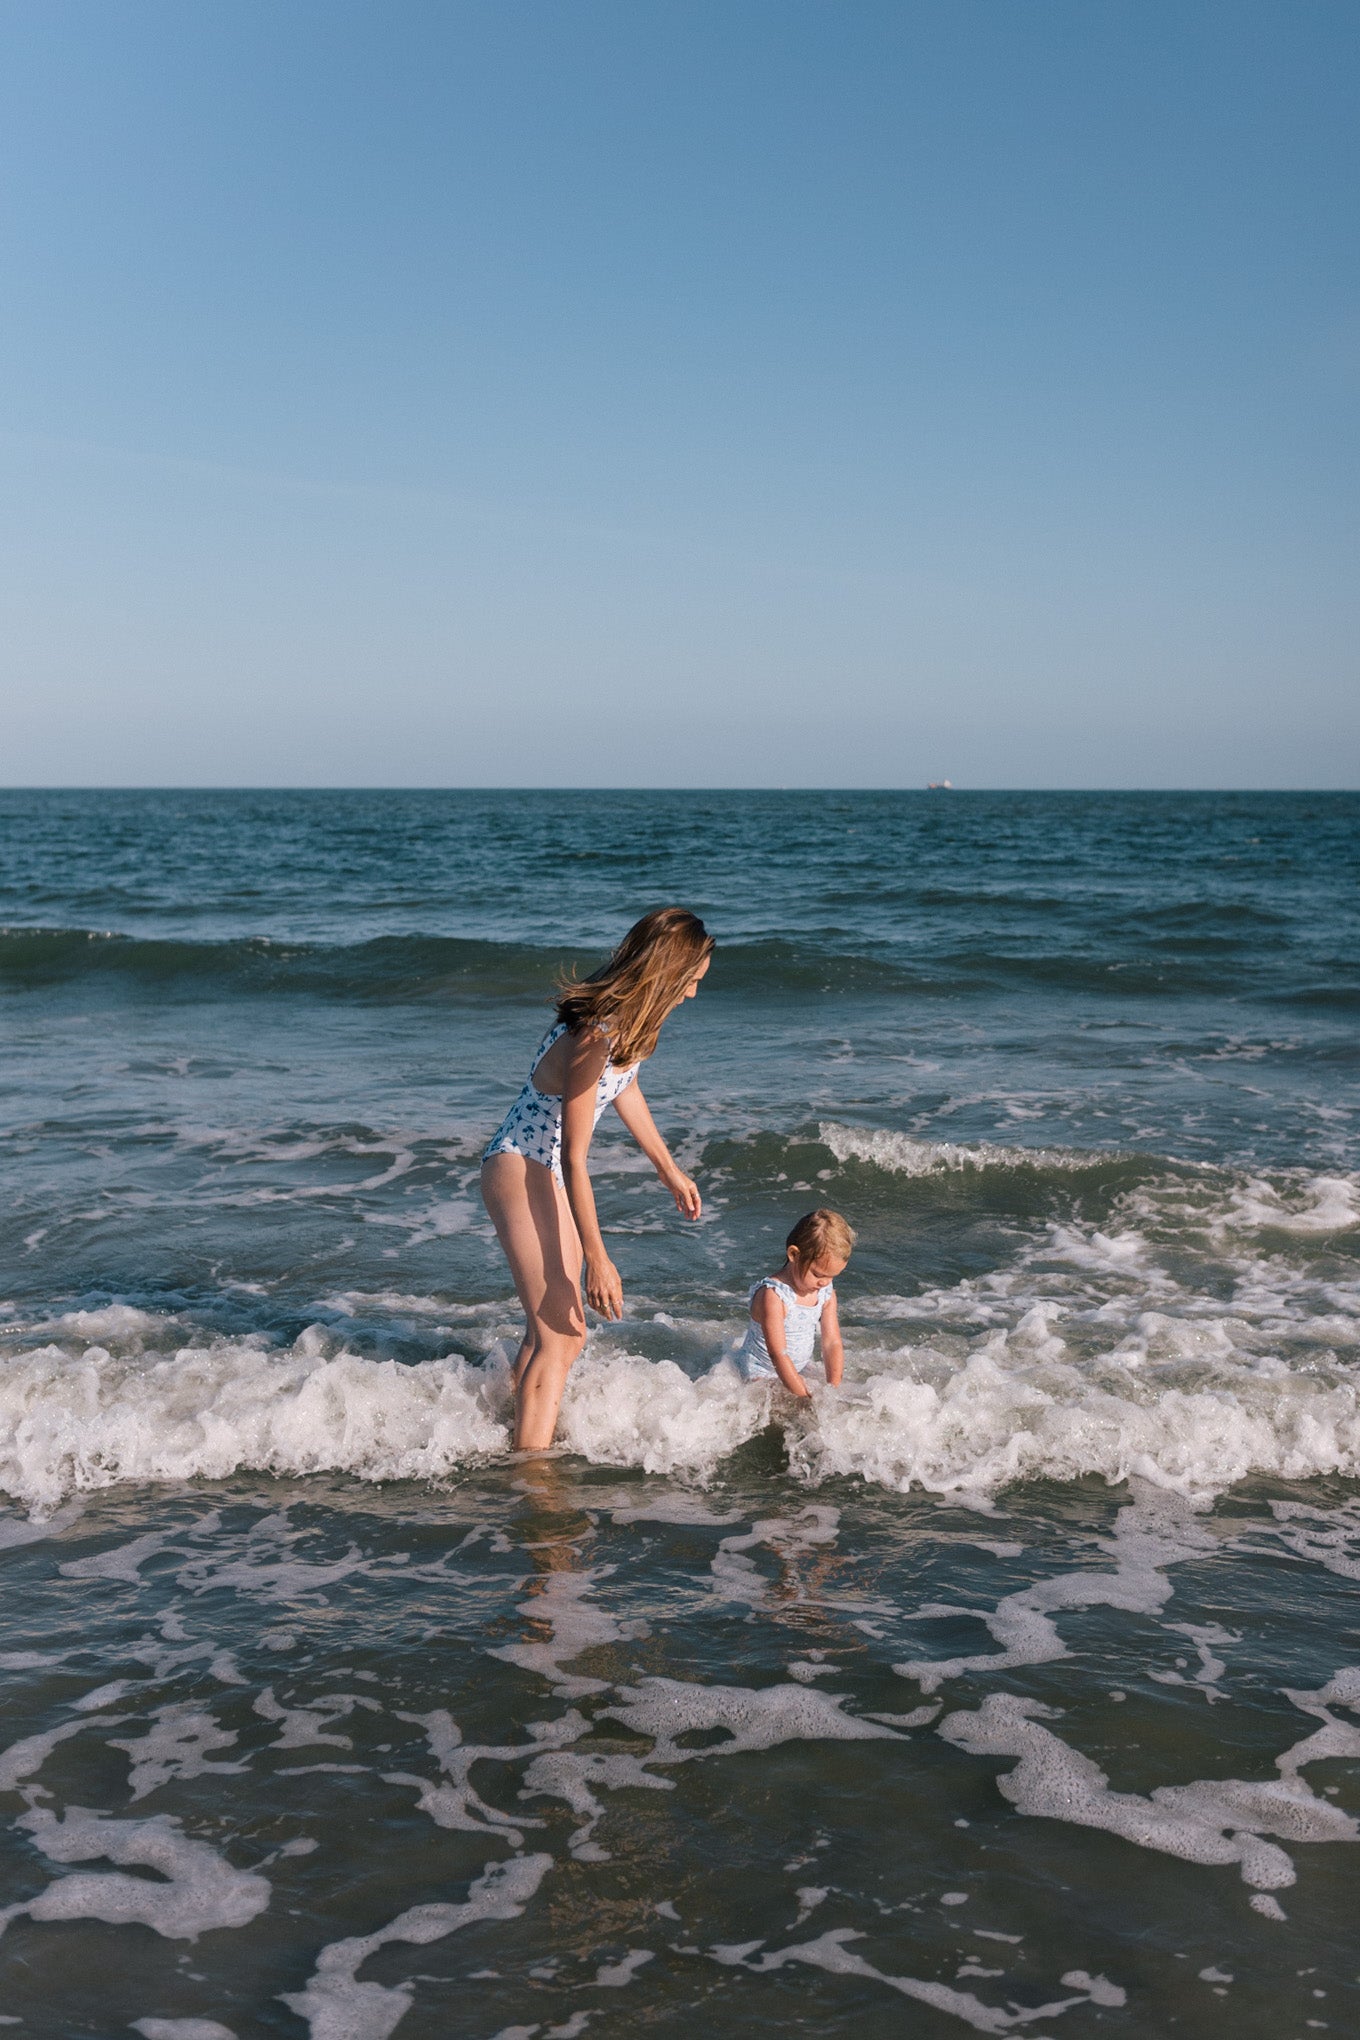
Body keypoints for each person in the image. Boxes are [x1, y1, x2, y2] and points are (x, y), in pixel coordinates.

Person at [481, 907, 714, 1450]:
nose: (693, 995)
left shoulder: (625, 1029)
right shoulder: (594, 1039)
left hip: (535, 1165)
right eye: (691, 982)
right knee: (564, 1334)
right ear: (666, 973)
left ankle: (502, 1426)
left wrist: (668, 1168)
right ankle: (532, 1478)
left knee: (552, 1332)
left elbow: (625, 1087)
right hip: (523, 1165)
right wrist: (597, 1258)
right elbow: (574, 1160)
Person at [737, 1208, 855, 1400]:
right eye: (818, 1274)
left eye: (832, 1276)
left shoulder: (825, 1292)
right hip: (761, 1370)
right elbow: (779, 1354)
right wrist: (803, 1396)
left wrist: (833, 1388)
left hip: (796, 1368)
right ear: (794, 1255)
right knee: (789, 1408)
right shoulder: (774, 1296)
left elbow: (832, 1342)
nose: (825, 1282)